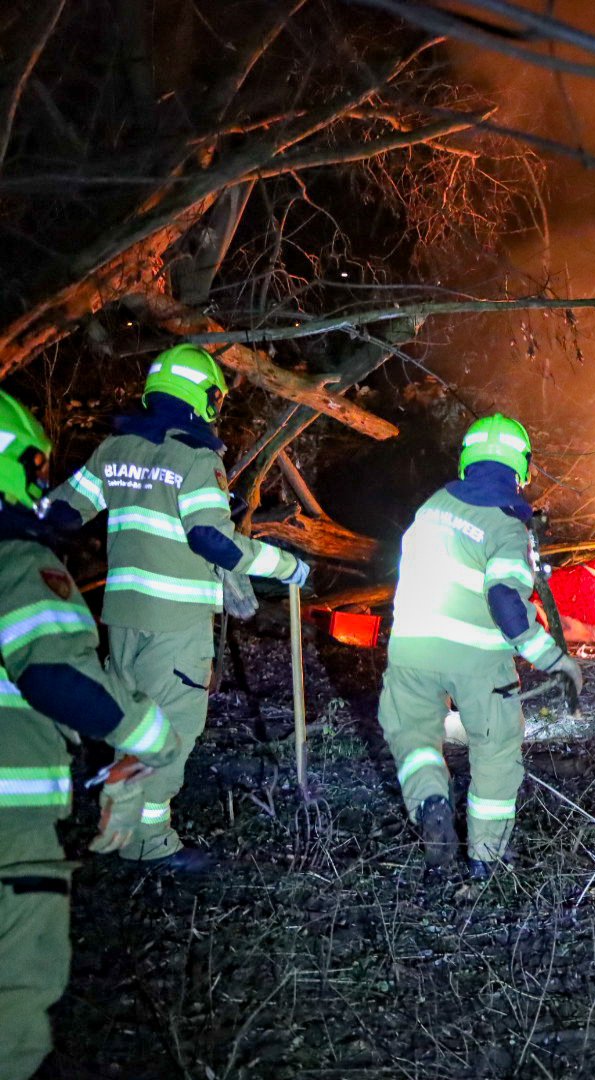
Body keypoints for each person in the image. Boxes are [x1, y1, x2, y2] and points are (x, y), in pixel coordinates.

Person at [47, 344, 309, 869]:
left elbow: (61, 513)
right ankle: (150, 843)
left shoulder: (116, 448)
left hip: (122, 620)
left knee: (133, 723)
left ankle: (121, 825)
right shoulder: (195, 457)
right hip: (176, 627)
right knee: (169, 730)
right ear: (204, 397)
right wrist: (286, 566)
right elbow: (210, 538)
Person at [0, 388, 179, 1079]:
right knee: (12, 1011)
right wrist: (150, 736)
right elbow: (55, 674)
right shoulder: (16, 562)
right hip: (10, 836)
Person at [381, 413, 582, 877]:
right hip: (476, 660)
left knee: (413, 735)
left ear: (467, 458)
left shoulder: (432, 507)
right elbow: (505, 600)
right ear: (521, 468)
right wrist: (554, 660)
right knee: (495, 749)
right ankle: (486, 860)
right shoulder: (505, 526)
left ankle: (431, 800)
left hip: (410, 650)